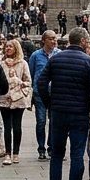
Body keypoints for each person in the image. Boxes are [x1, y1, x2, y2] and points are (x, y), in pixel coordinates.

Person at [38, 27, 90, 180]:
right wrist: (89, 109)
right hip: (79, 114)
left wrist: (50, 103)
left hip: (58, 112)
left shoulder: (55, 59)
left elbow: (41, 82)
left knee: (57, 154)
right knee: (77, 155)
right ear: (83, 41)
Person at [0, 39, 33, 165]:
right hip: (5, 98)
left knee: (17, 125)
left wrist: (20, 84)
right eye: (6, 46)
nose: (8, 48)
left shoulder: (23, 63)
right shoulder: (1, 64)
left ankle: (16, 153)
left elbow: (28, 81)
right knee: (7, 127)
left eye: (10, 47)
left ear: (16, 48)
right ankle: (7, 153)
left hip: (18, 98)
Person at [28, 30, 61, 161]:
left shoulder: (59, 54)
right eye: (51, 39)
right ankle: (41, 148)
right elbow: (31, 74)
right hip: (39, 93)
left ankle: (51, 147)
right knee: (41, 121)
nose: (54, 41)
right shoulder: (36, 55)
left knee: (54, 121)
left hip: (55, 93)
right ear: (44, 40)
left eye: (55, 39)